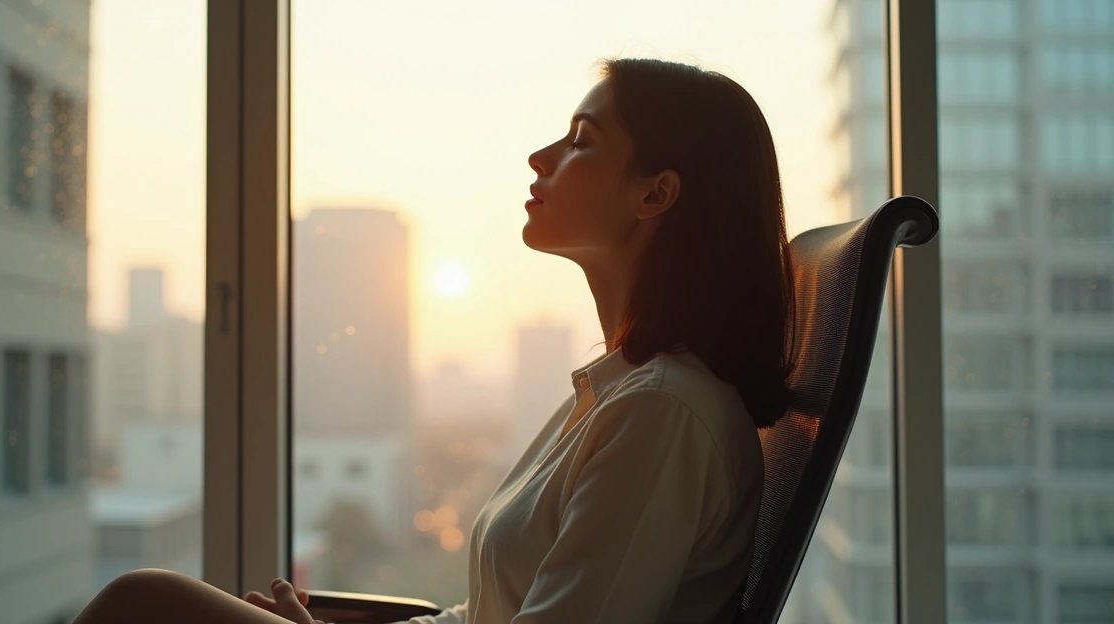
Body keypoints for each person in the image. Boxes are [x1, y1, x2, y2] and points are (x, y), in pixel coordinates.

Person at [72, 57, 795, 624]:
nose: (540, 157)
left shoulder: (663, 414)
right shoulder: (617, 392)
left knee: (144, 606)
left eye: (581, 141)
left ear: (655, 194)